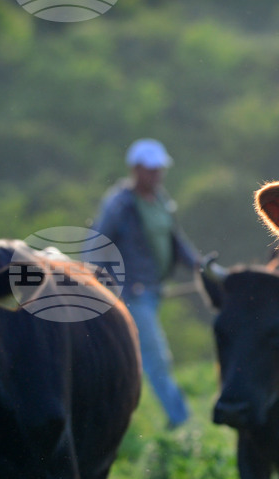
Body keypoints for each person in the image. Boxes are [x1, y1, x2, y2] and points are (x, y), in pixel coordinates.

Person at [92, 138, 200, 428]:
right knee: (155, 357)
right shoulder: (120, 204)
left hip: (152, 291)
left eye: (159, 169)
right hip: (131, 293)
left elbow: (175, 240)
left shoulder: (160, 199)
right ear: (135, 169)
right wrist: (102, 286)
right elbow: (96, 246)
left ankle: (111, 416)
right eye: (151, 170)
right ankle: (181, 421)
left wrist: (200, 266)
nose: (157, 175)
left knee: (125, 357)